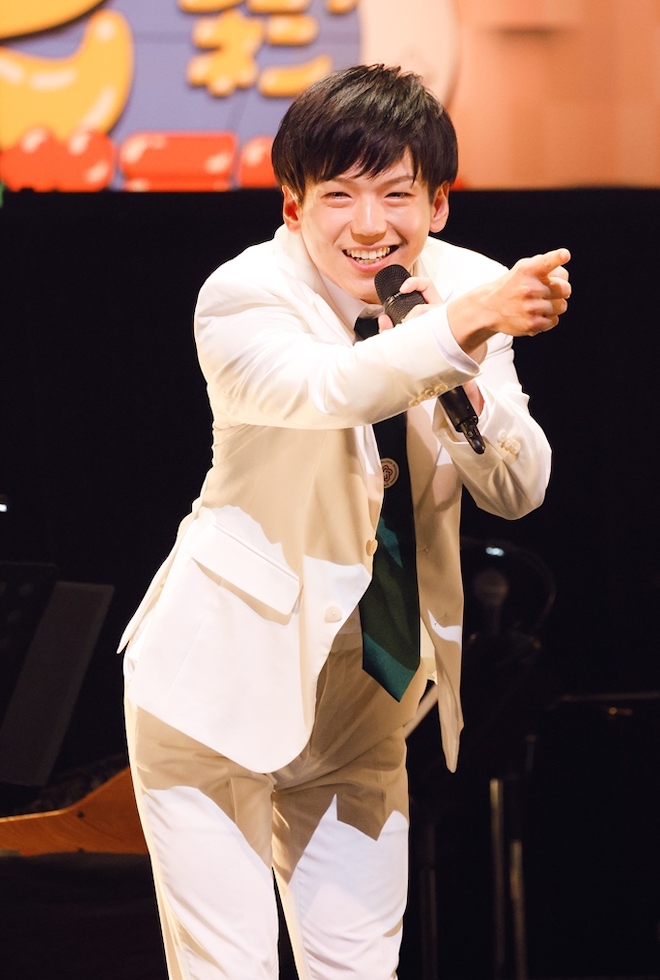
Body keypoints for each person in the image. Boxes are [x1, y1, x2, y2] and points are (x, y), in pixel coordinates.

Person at [120, 64, 570, 979]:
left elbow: (518, 487)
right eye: (338, 195)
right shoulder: (244, 295)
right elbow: (332, 389)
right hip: (215, 687)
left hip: (365, 698)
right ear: (294, 207)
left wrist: (467, 371)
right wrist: (453, 332)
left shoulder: (468, 286)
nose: (369, 225)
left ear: (438, 203)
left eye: (396, 194)